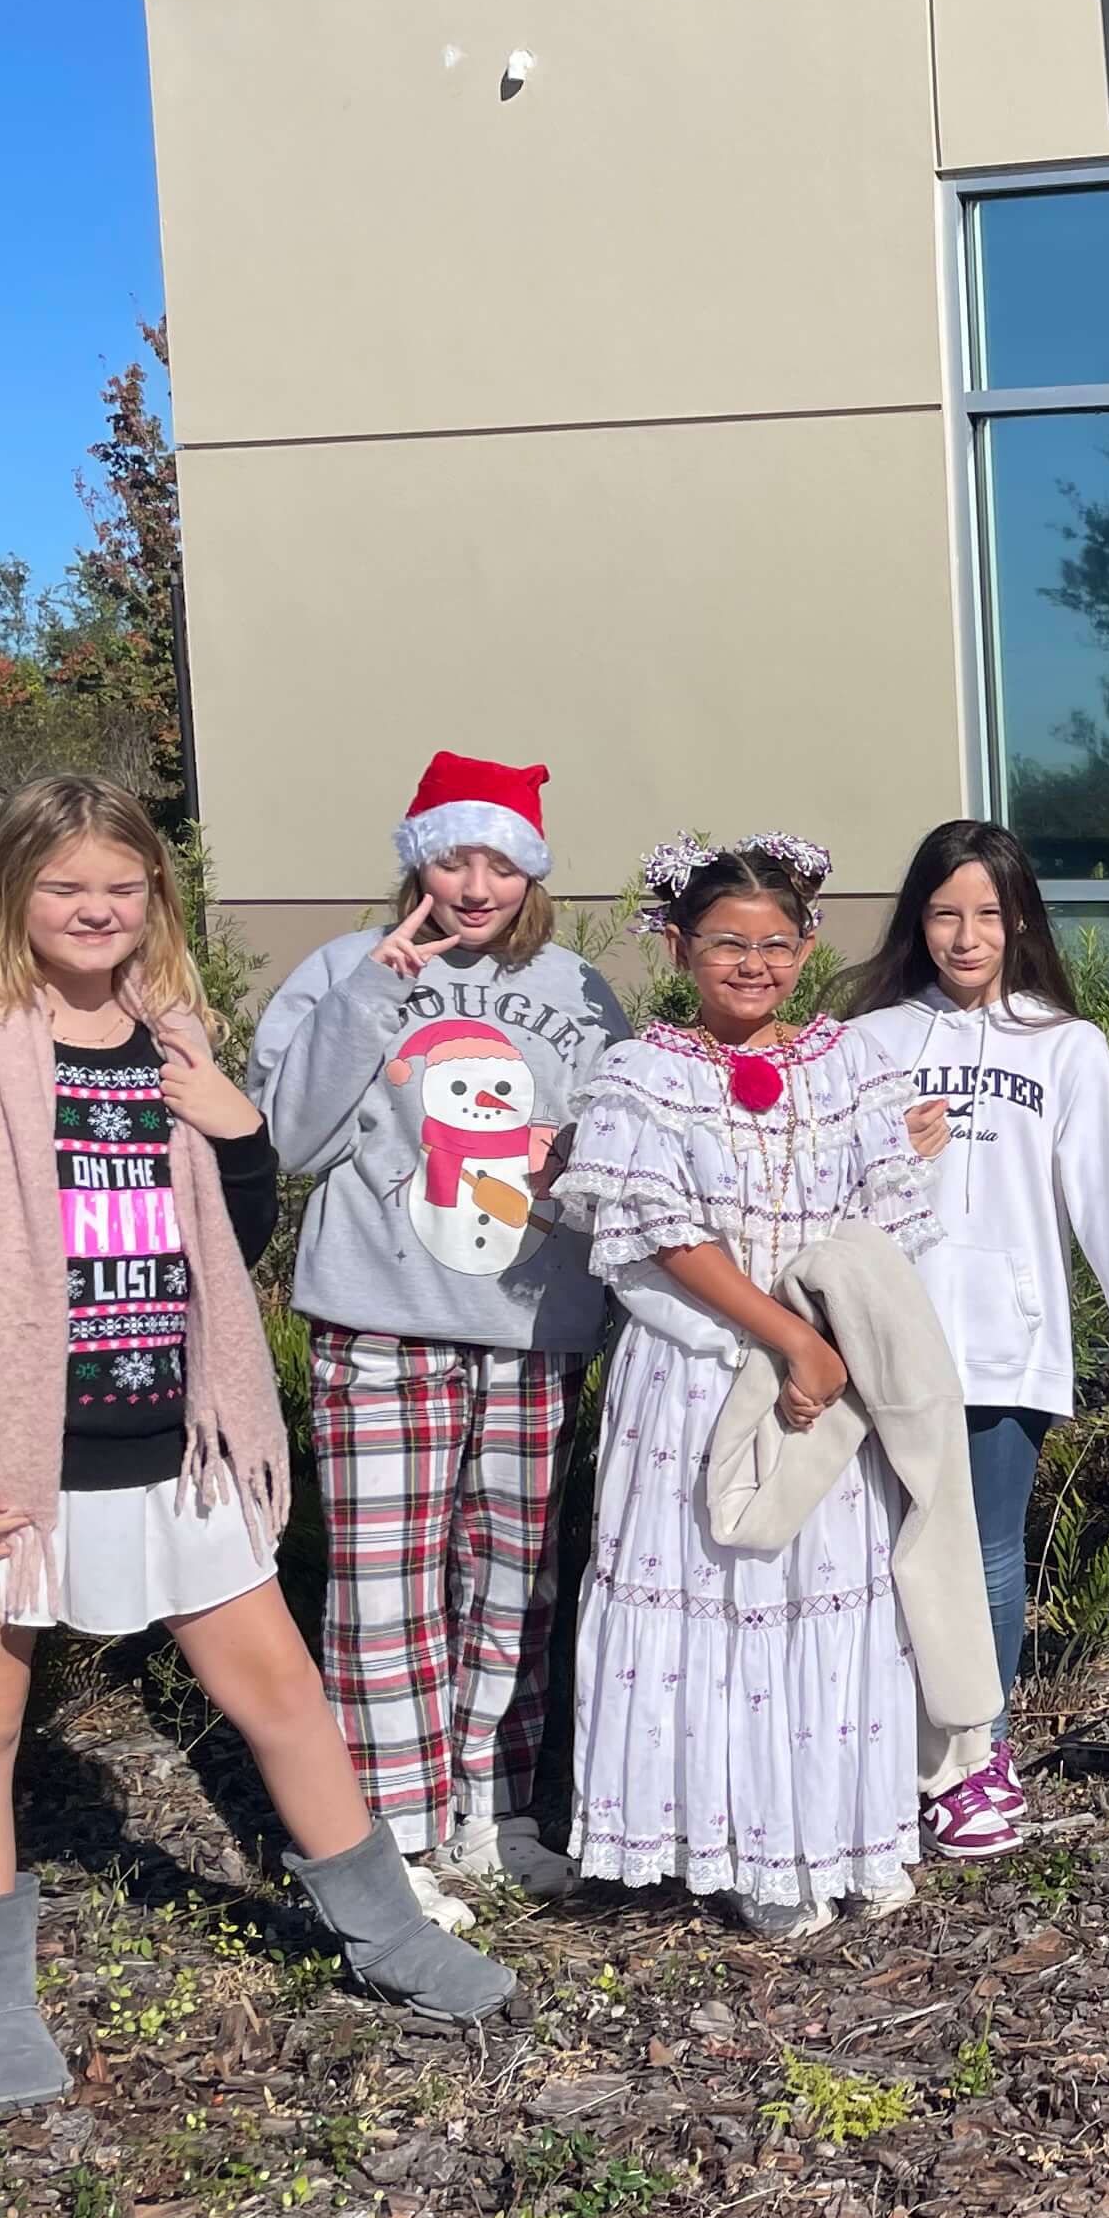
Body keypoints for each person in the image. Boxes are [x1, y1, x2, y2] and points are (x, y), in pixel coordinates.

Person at [0, 774, 512, 2107]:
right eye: (65, 885)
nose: (96, 909)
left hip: (178, 1442)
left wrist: (239, 1133)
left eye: (122, 886)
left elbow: (225, 1252)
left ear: (154, 899)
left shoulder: (171, 1042)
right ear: (11, 893)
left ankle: (388, 1936)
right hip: (3, 1455)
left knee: (281, 1692)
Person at [547, 834, 960, 1939]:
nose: (754, 965)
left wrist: (829, 1340)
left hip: (828, 1358)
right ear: (678, 946)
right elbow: (665, 1235)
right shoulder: (643, 1076)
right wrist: (784, 1341)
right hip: (698, 1368)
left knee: (825, 1585)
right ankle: (736, 1847)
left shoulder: (852, 1065)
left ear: (807, 946)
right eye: (728, 943)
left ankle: (836, 1830)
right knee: (718, 1589)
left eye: (776, 944)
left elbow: (879, 1217)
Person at [245, 753, 634, 1923]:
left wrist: (581, 1173)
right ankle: (390, 1836)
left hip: (531, 1327)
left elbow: (614, 1158)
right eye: (453, 860)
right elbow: (288, 1139)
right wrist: (373, 992)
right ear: (418, 861)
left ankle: (493, 1816)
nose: (474, 886)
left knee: (514, 1579)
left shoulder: (578, 989)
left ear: (531, 873)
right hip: (380, 1322)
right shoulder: (343, 969)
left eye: (498, 864)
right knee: (383, 1586)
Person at [850, 818, 1109, 1858]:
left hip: (1007, 1347)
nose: (966, 937)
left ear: (1020, 923)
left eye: (988, 915)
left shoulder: (1065, 1046)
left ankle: (980, 1754)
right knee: (877, 1554)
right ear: (917, 922)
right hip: (881, 1343)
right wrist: (888, 1150)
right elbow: (821, 1195)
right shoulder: (867, 1043)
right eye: (944, 914)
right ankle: (882, 1754)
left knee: (984, 1553)